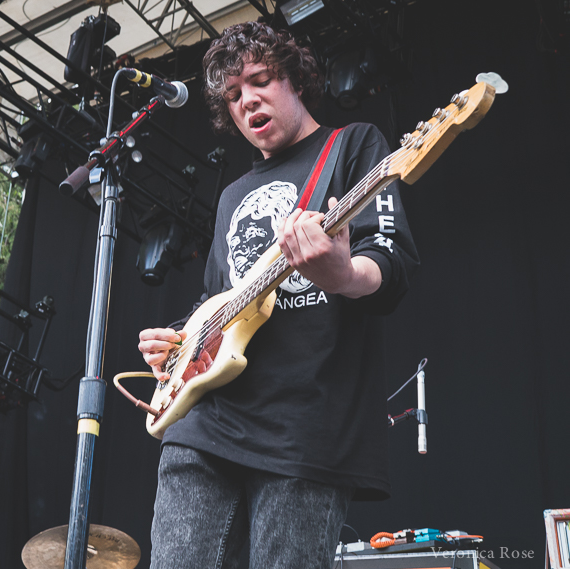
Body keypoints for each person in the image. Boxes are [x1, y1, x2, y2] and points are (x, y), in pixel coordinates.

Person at [138, 22, 420, 568]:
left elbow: (393, 262)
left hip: (306, 429)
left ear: (292, 78)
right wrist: (182, 344)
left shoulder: (354, 146)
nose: (247, 101)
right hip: (208, 423)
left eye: (260, 80)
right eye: (233, 96)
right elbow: (219, 300)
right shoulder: (232, 196)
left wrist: (341, 274)